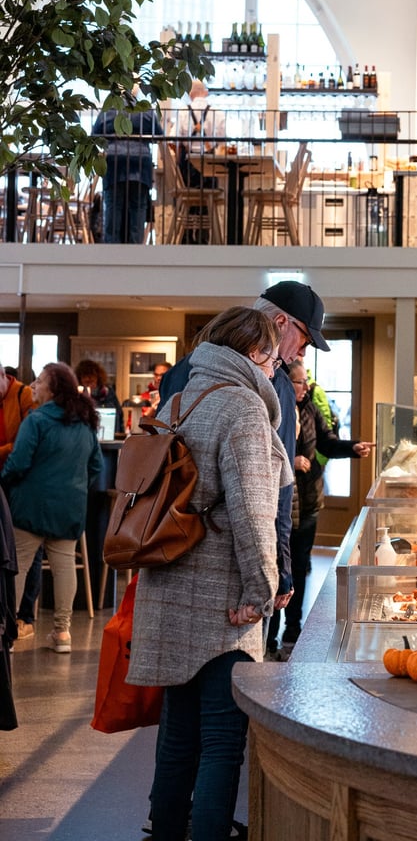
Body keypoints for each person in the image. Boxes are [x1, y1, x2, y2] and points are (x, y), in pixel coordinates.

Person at [128, 306, 293, 841]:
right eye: (272, 358)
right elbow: (252, 514)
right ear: (253, 354)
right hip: (222, 597)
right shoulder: (243, 408)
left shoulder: (181, 398)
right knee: (224, 737)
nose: (276, 370)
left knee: (179, 731)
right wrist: (263, 591)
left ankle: (167, 827)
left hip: (167, 581)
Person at [158, 280, 330, 646]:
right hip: (229, 566)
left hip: (165, 548)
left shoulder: (186, 367)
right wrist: (279, 572)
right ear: (281, 322)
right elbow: (271, 492)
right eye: (304, 339)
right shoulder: (270, 387)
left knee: (177, 689)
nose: (300, 353)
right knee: (231, 687)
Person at [267, 360, 371, 659]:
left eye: (306, 382)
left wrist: (352, 448)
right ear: (288, 384)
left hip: (309, 502)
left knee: (300, 570)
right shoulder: (276, 409)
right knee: (277, 571)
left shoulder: (310, 408)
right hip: (281, 505)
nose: (306, 387)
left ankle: (293, 632)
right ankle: (270, 637)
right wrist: (293, 459)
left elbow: (326, 443)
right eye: (300, 382)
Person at [1, 362, 102, 654]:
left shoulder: (37, 420)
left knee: (16, 567)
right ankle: (63, 633)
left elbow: (17, 464)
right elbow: (95, 465)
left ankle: (7, 633)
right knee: (65, 567)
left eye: (40, 381)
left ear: (53, 388)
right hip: (70, 508)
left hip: (31, 507)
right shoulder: (85, 422)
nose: (33, 385)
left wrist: (5, 484)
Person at [92, 92, 163, 243]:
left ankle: (112, 250)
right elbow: (159, 134)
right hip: (140, 163)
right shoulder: (145, 110)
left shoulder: (108, 111)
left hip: (114, 163)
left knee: (113, 207)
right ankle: (136, 250)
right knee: (138, 208)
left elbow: (95, 134)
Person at [0, 364, 36, 643]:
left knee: (22, 548)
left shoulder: (23, 394)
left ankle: (24, 616)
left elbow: (23, 443)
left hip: (17, 478)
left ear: (4, 377)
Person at [168, 79, 226, 187]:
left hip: (188, 164)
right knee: (210, 195)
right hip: (210, 164)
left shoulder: (183, 112)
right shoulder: (217, 113)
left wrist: (179, 153)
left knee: (189, 194)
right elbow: (223, 141)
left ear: (190, 94)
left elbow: (172, 139)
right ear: (205, 92)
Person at [74, 358, 124, 434]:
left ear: (97, 377)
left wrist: (120, 434)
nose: (89, 379)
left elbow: (119, 414)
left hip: (110, 432)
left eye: (92, 377)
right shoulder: (78, 395)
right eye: (85, 378)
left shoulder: (108, 392)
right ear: (80, 379)